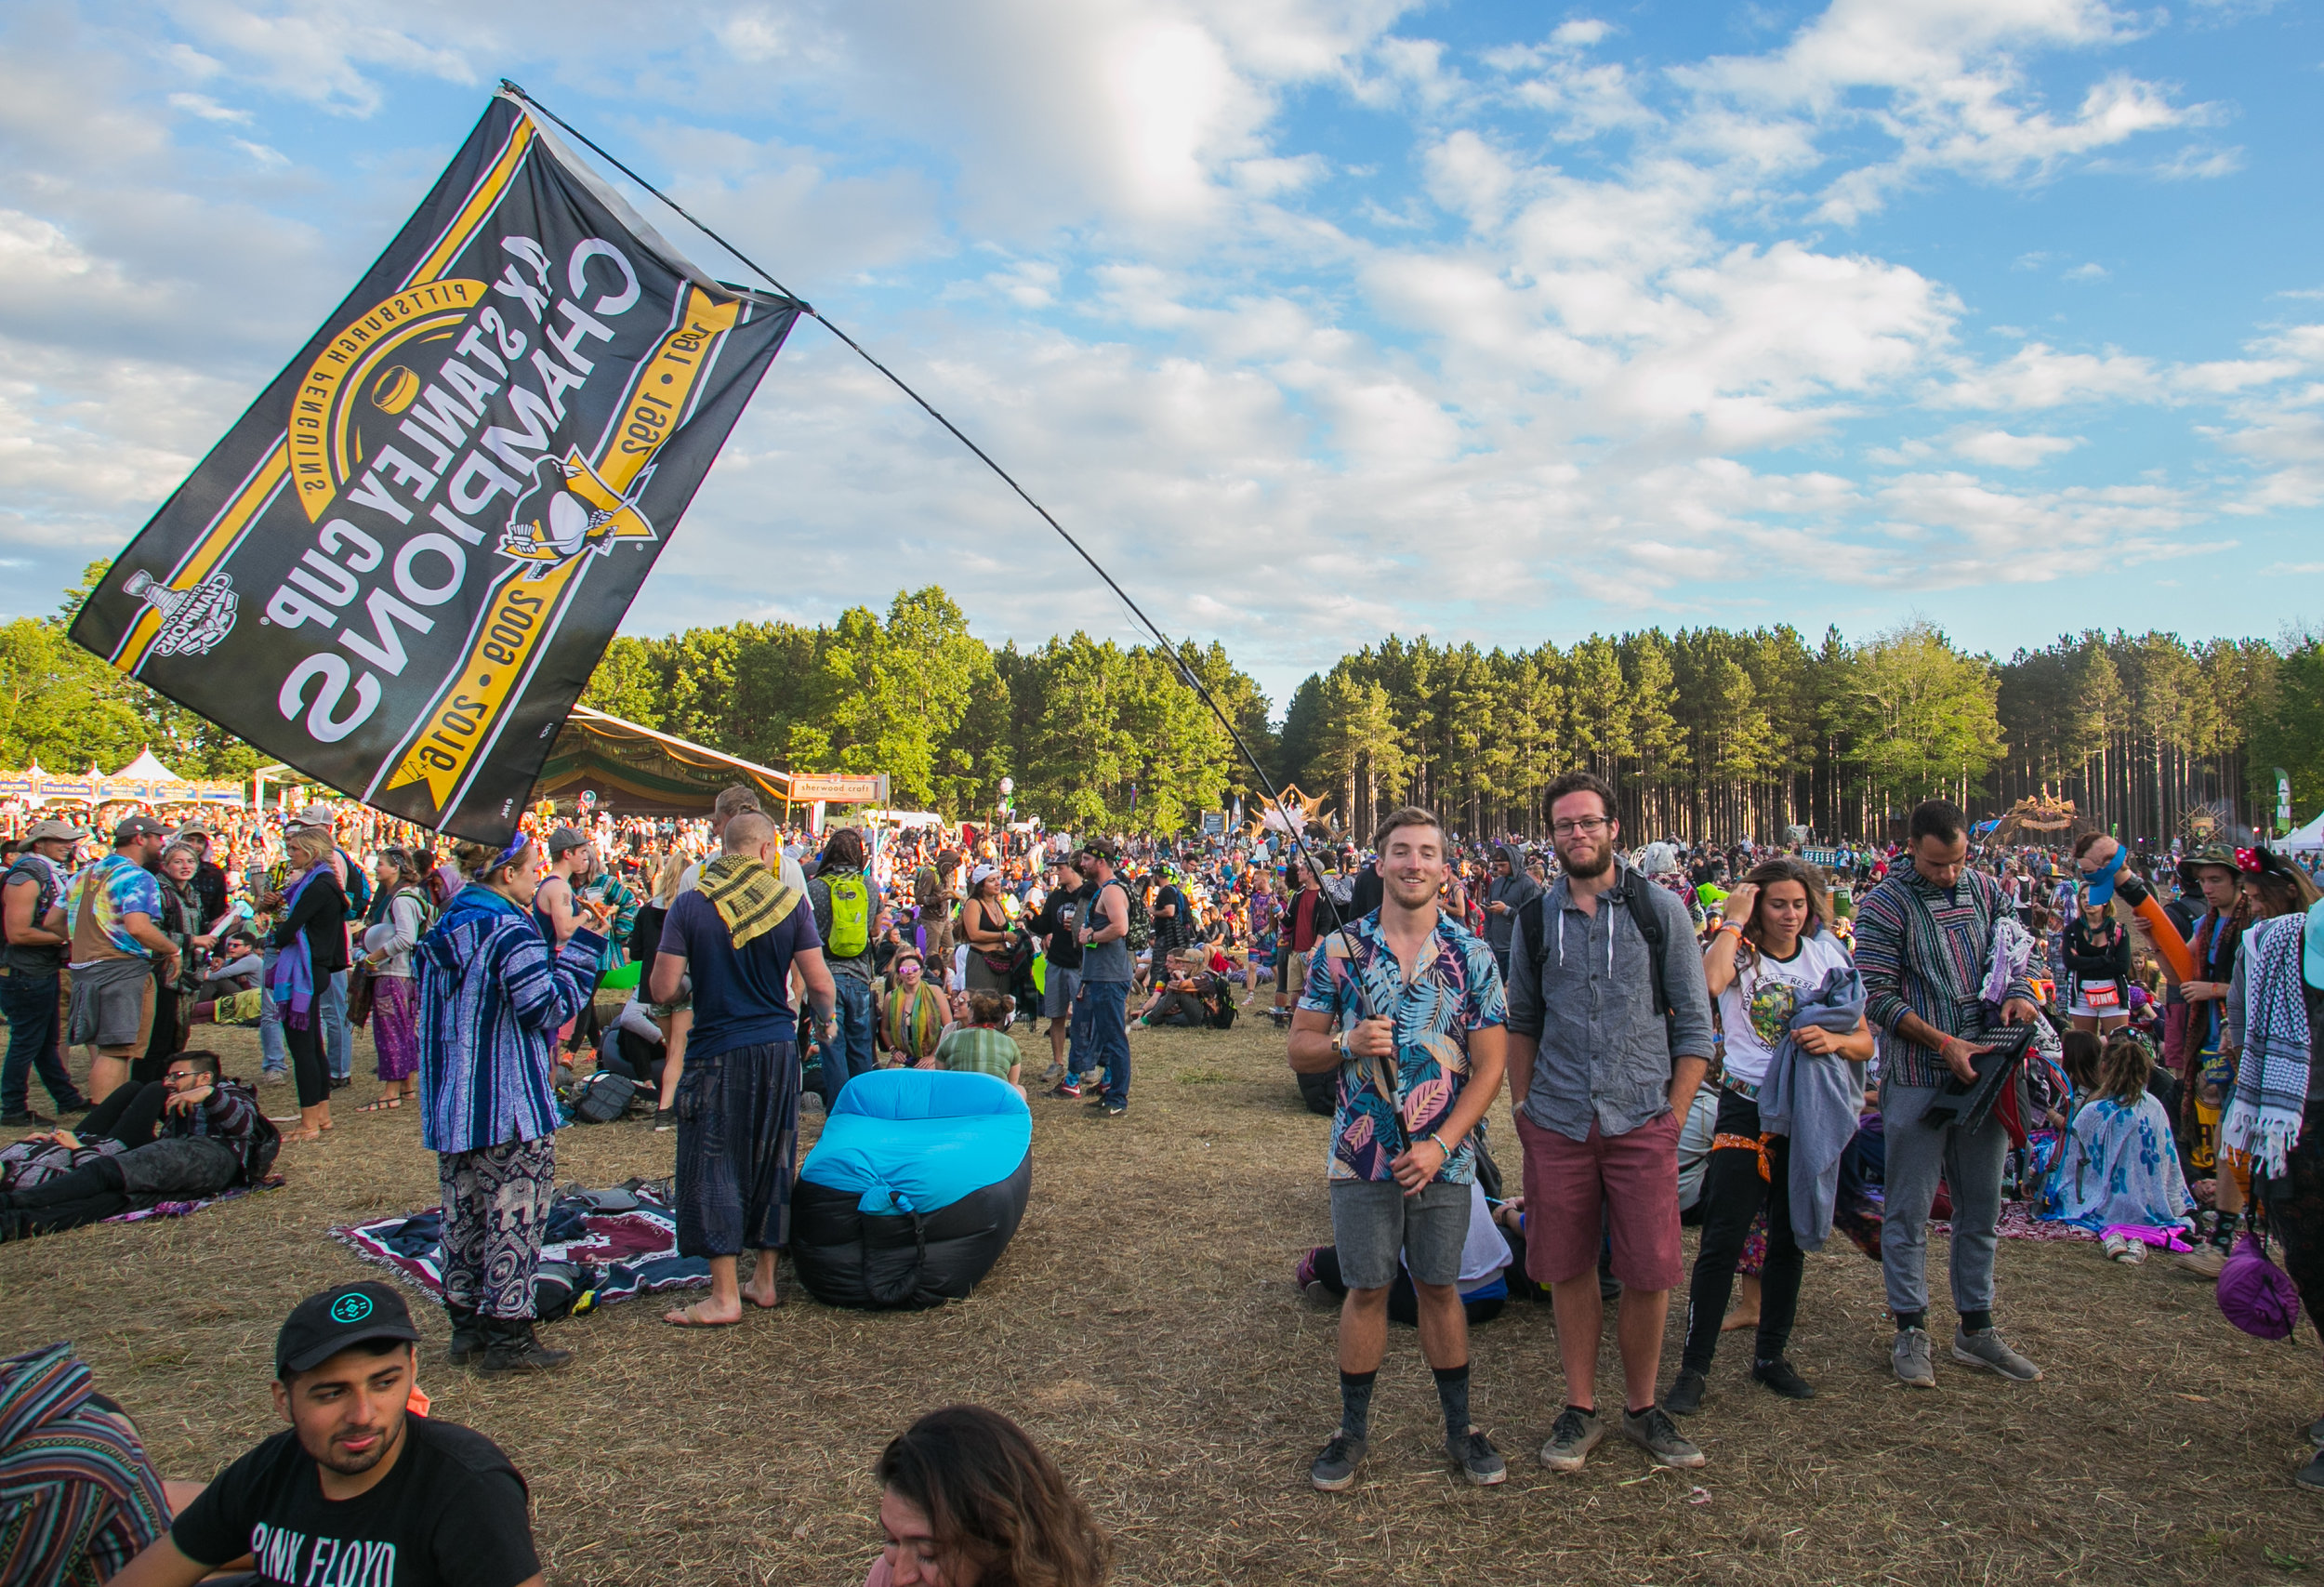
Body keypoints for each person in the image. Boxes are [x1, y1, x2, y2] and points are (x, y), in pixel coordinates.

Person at [1289, 807, 1511, 1490]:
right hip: (1361, 1155)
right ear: (1379, 862)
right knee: (1366, 1288)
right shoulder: (1337, 949)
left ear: (1445, 868)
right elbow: (1299, 1045)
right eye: (1401, 851)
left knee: (1441, 1287)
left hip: (1444, 1157)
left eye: (1427, 852)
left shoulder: (1472, 954)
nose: (1414, 863)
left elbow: (1491, 1066)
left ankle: (1460, 1428)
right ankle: (1351, 1431)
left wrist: (1444, 1145)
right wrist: (1344, 1044)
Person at [1503, 772, 1713, 1474]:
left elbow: (1696, 1028)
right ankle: (1581, 1405)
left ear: (1613, 826)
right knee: (1567, 1267)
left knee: (1649, 1270)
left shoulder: (1662, 913)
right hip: (1558, 1120)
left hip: (1641, 1118)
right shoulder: (1535, 918)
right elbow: (1523, 1022)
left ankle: (1644, 1406)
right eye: (1564, 825)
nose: (1577, 834)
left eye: (1588, 821)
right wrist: (1524, 1110)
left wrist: (1673, 1114)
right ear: (1551, 835)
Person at [108, 1280, 547, 1587]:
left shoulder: (465, 1485)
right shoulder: (270, 1470)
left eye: (384, 1383)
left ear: (412, 1371)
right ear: (283, 1401)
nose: (362, 1414)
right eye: (331, 1393)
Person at [1667, 857, 1870, 1417]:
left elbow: (1864, 1043)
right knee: (1722, 1237)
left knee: (1788, 1236)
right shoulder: (1740, 954)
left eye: (1798, 904)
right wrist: (1733, 920)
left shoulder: (1829, 956)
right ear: (1757, 905)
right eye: (1777, 903)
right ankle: (1694, 1368)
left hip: (1803, 1109)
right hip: (1744, 1106)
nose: (1789, 914)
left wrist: (1835, 1045)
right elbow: (1707, 984)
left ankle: (1771, 1357)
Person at [1854, 799, 2046, 1390]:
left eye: (1958, 860)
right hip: (1917, 1075)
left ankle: (1976, 1327)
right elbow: (1878, 996)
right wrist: (1941, 1042)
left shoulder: (1989, 891)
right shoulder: (1884, 905)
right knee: (1908, 1207)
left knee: (1981, 1204)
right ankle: (1910, 1325)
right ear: (1911, 847)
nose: (1949, 873)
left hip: (1986, 1069)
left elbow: (2014, 956)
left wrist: (2020, 995)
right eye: (1937, 863)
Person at [416, 836, 605, 1377]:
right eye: (529, 870)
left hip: (455, 1100)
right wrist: (586, 951)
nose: (536, 878)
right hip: (508, 1101)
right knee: (515, 1217)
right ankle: (508, 1335)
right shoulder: (508, 931)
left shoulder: (446, 925)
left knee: (463, 1215)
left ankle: (467, 1325)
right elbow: (545, 1007)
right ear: (506, 875)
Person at [650, 812, 838, 1328]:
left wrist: (699, 984)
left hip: (718, 1048)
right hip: (777, 1048)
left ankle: (725, 1295)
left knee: (715, 1160)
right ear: (766, 851)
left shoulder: (691, 904)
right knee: (772, 1156)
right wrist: (828, 1023)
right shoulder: (789, 902)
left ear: (721, 848)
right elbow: (820, 984)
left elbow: (663, 990)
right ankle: (766, 1281)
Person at [2211, 848, 2324, 1488]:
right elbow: (2242, 1033)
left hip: (2295, 1129)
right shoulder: (2271, 947)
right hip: (2295, 1132)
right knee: (2312, 1265)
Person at [0, 1049, 274, 1237]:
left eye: (177, 1076)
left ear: (205, 1077)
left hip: (212, 1154)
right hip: (189, 1169)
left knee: (105, 1171)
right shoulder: (176, 1104)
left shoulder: (228, 1092)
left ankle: (14, 1203)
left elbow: (243, 1126)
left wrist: (210, 1095)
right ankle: (16, 1223)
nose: (169, 1082)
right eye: (168, 1076)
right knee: (114, 1200)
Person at [866, 1406, 1110, 1587]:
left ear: (999, 1550)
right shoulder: (884, 1576)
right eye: (892, 1541)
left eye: (928, 1554)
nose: (899, 1577)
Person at [54, 816, 178, 1105]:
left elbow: (52, 921)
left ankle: (111, 1121)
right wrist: (172, 949)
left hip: (85, 969)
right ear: (140, 838)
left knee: (110, 1049)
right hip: (120, 969)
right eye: (158, 837)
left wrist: (83, 937)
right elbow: (138, 927)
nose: (162, 844)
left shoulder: (83, 874)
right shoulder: (137, 877)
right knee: (116, 1051)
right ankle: (103, 1125)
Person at [2173, 842, 2253, 1276]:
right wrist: (2152, 933)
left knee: (2236, 1139)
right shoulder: (2205, 924)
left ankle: (2228, 1239)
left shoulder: (2256, 924)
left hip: (2249, 1045)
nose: (2208, 887)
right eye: (2203, 880)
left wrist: (2216, 990)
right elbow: (2180, 973)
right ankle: (2225, 1238)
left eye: (2216, 879)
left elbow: (2261, 984)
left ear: (2240, 883)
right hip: (2212, 1040)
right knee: (2228, 1138)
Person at [2051, 1033, 2196, 1252]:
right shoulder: (2155, 1107)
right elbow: (2170, 1163)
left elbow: (2069, 1160)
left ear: (2105, 1066)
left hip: (2106, 1204)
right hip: (2152, 1202)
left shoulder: (2096, 1111)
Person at [0, 817, 90, 1127]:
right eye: (60, 840)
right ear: (39, 844)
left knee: (42, 1040)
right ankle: (12, 1106)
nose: (69, 845)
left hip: (37, 970)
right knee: (27, 1041)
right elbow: (18, 933)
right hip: (25, 972)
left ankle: (67, 1099)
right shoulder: (27, 876)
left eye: (70, 840)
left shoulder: (45, 872)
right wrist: (68, 937)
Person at [268, 827, 350, 1144]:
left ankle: (308, 1121)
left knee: (303, 1048)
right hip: (315, 968)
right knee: (313, 1045)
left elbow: (288, 929)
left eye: (295, 849)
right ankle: (322, 1114)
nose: (290, 854)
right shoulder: (326, 884)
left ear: (312, 852)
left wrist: (275, 934)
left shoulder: (317, 886)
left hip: (304, 970)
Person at [808, 827, 881, 1112]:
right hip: (860, 976)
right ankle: (864, 1109)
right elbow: (874, 930)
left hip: (825, 976)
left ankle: (839, 1113)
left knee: (832, 1046)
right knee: (861, 1044)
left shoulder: (816, 887)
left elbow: (810, 934)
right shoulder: (870, 886)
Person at [357, 847, 432, 1112]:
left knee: (390, 1031)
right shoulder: (411, 897)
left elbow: (405, 938)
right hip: (404, 975)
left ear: (396, 868)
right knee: (403, 1029)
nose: (376, 868)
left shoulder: (401, 899)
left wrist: (372, 957)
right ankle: (406, 1086)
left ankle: (391, 1092)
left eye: (381, 864)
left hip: (393, 973)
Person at [1069, 841, 1134, 1118]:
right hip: (1100, 975)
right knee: (1107, 1039)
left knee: (1115, 1038)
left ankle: (1118, 1099)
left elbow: (1120, 928)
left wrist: (1091, 936)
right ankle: (1110, 1093)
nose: (1081, 864)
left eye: (1085, 859)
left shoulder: (1112, 891)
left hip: (1110, 976)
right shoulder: (1102, 891)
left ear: (1101, 861)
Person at [1028, 860, 1087, 1086]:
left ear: (1073, 869)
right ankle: (1057, 1061)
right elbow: (1044, 926)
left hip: (1079, 964)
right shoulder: (1055, 897)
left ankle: (1085, 1064)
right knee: (1056, 1016)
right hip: (1056, 963)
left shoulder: (1088, 894)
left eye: (1060, 868)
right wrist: (1031, 918)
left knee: (1083, 1017)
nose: (1057, 873)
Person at [2063, 887, 2133, 1035]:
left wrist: (2082, 962)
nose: (2087, 901)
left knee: (2118, 1045)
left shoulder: (2118, 930)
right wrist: (2105, 960)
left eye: (2093, 896)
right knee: (2085, 1048)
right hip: (2081, 993)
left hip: (2114, 993)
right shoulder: (2071, 930)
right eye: (2082, 897)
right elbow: (2069, 962)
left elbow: (2122, 966)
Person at [932, 991, 1023, 1090]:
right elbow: (1012, 1087)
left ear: (972, 1013)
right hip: (994, 1101)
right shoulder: (1010, 1044)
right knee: (1021, 1090)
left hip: (958, 1099)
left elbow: (941, 1079)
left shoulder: (949, 1039)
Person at [1480, 843, 1541, 977]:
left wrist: (1506, 911)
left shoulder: (1529, 886)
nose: (1499, 869)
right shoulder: (1496, 884)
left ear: (1514, 862)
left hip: (1516, 950)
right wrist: (1488, 940)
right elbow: (1489, 917)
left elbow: (1533, 920)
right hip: (1495, 949)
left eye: (1503, 865)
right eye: (1497, 865)